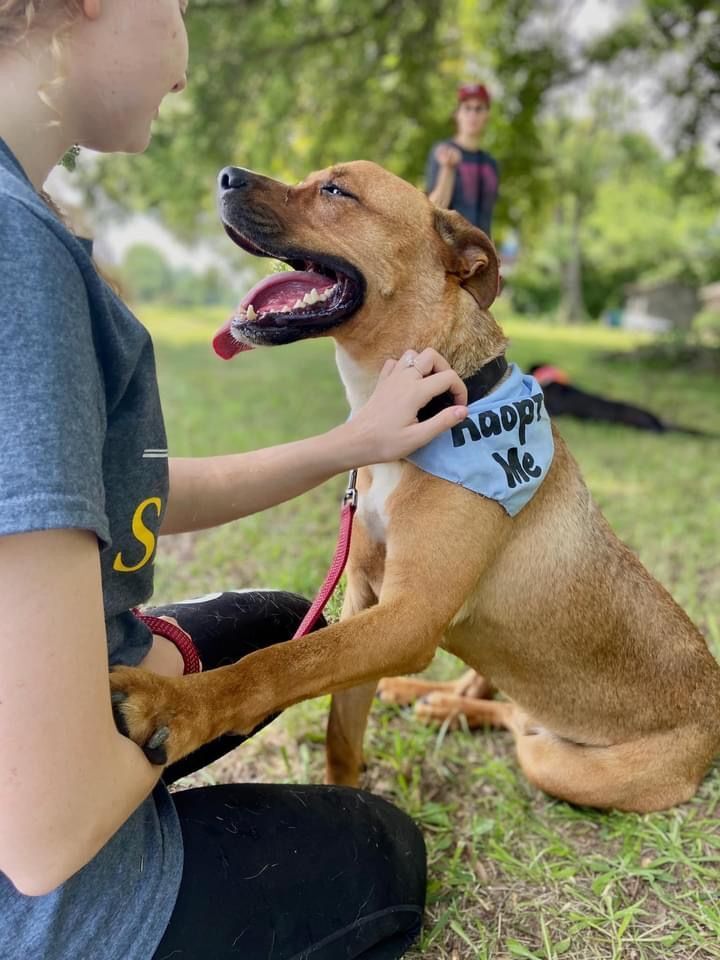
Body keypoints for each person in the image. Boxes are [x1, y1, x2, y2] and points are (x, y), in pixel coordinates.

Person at [0, 3, 472, 959]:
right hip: (45, 894)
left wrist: (351, 443)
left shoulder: (25, 224)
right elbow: (42, 831)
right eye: (177, 5)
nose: (184, 58)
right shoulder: (21, 261)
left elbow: (122, 487)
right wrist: (201, 693)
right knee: (385, 851)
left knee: (287, 621)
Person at [425, 82, 499, 235]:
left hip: (481, 248)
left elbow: (487, 218)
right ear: (457, 114)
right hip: (449, 248)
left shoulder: (491, 164)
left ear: (487, 115)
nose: (473, 115)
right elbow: (434, 211)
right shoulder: (443, 151)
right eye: (467, 108)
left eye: (479, 108)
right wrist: (448, 169)